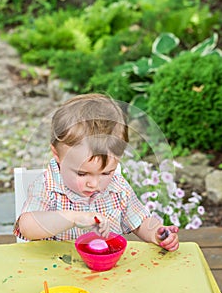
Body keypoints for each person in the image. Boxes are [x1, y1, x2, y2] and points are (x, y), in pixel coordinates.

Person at [14, 93, 179, 252]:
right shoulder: (48, 187)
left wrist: (157, 234)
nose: (94, 184)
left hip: (107, 272)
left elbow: (141, 222)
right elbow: (27, 226)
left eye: (106, 173)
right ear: (57, 155)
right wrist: (72, 218)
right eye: (82, 174)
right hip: (56, 272)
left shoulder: (118, 188)